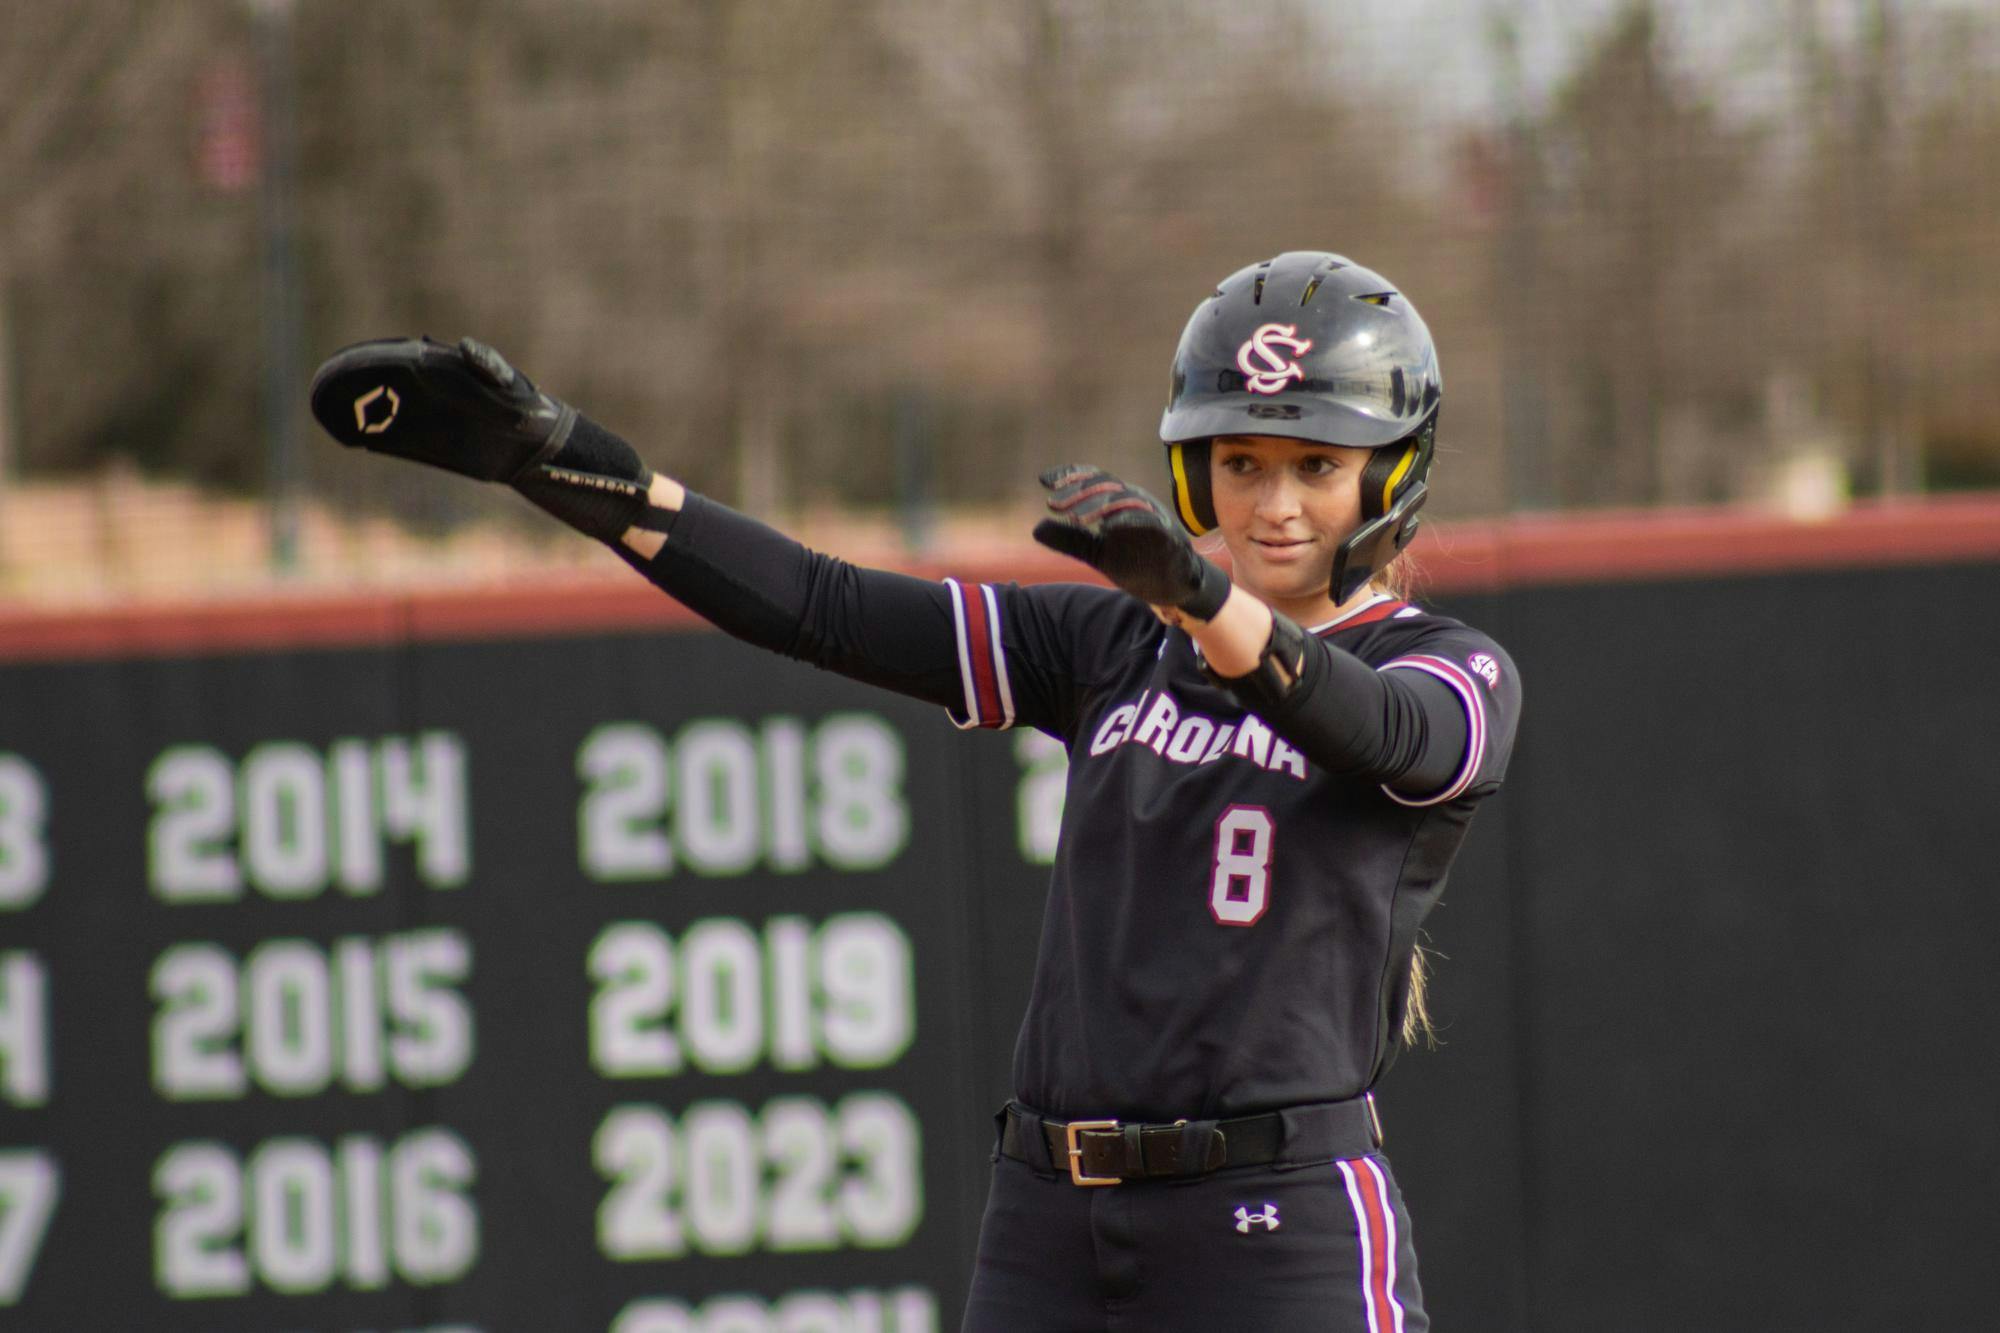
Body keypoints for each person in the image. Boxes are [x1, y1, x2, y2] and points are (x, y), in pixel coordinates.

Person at [309, 249, 1521, 1332]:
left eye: (1317, 462)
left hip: (1275, 1223)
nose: (1273, 500)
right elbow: (822, 604)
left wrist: (1210, 610)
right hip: (1049, 1219)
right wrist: (564, 464)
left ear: (1392, 473)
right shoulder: (1112, 649)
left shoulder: (1438, 662)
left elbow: (1395, 736)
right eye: (1239, 459)